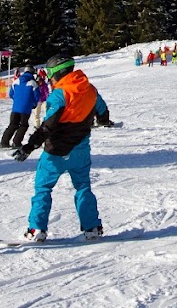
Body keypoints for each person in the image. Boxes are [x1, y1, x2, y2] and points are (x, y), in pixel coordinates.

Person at [12, 55, 115, 240]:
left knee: (43, 188)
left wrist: (29, 146)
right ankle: (92, 228)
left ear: (58, 73)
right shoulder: (90, 89)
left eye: (50, 75)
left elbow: (48, 126)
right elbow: (103, 112)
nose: (49, 80)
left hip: (55, 152)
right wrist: (102, 121)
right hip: (80, 150)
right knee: (83, 186)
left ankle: (36, 229)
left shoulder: (59, 95)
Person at [0, 66, 40, 150]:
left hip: (15, 108)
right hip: (26, 108)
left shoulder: (16, 81)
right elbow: (37, 96)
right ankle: (16, 142)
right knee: (23, 125)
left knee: (12, 125)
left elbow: (11, 94)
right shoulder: (33, 83)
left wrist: (17, 100)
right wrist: (33, 104)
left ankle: (4, 142)